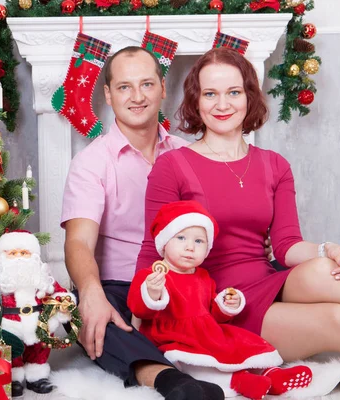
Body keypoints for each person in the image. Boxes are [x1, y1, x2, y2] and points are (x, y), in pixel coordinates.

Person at [135, 46, 340, 382]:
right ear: (196, 101)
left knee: (326, 268)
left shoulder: (274, 164)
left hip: (267, 279)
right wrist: (140, 316)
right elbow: (151, 248)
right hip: (223, 304)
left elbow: (286, 246)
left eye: (233, 92)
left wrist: (326, 249)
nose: (223, 104)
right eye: (211, 94)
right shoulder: (173, 166)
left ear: (249, 96)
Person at [62, 46, 225, 399]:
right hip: (119, 285)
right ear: (107, 94)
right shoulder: (92, 162)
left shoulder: (188, 154)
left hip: (182, 279)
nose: (137, 97)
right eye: (124, 87)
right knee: (95, 318)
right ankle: (170, 380)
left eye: (147, 84)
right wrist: (90, 294)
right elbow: (77, 242)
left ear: (163, 88)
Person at [128, 200, 313, 399]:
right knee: (195, 364)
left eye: (199, 241)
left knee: (242, 345)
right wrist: (152, 292)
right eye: (181, 238)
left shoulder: (203, 276)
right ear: (164, 244)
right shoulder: (151, 276)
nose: (190, 247)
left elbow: (211, 311)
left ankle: (270, 373)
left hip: (205, 331)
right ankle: (238, 381)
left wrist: (224, 305)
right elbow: (139, 309)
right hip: (172, 336)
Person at [0, 230, 74, 397]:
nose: (18, 257)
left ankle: (37, 377)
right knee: (11, 351)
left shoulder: (42, 278)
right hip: (10, 325)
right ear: (2, 256)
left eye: (24, 253)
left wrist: (63, 302)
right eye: (13, 253)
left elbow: (59, 293)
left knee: (39, 350)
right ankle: (13, 378)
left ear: (33, 256)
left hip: (39, 322)